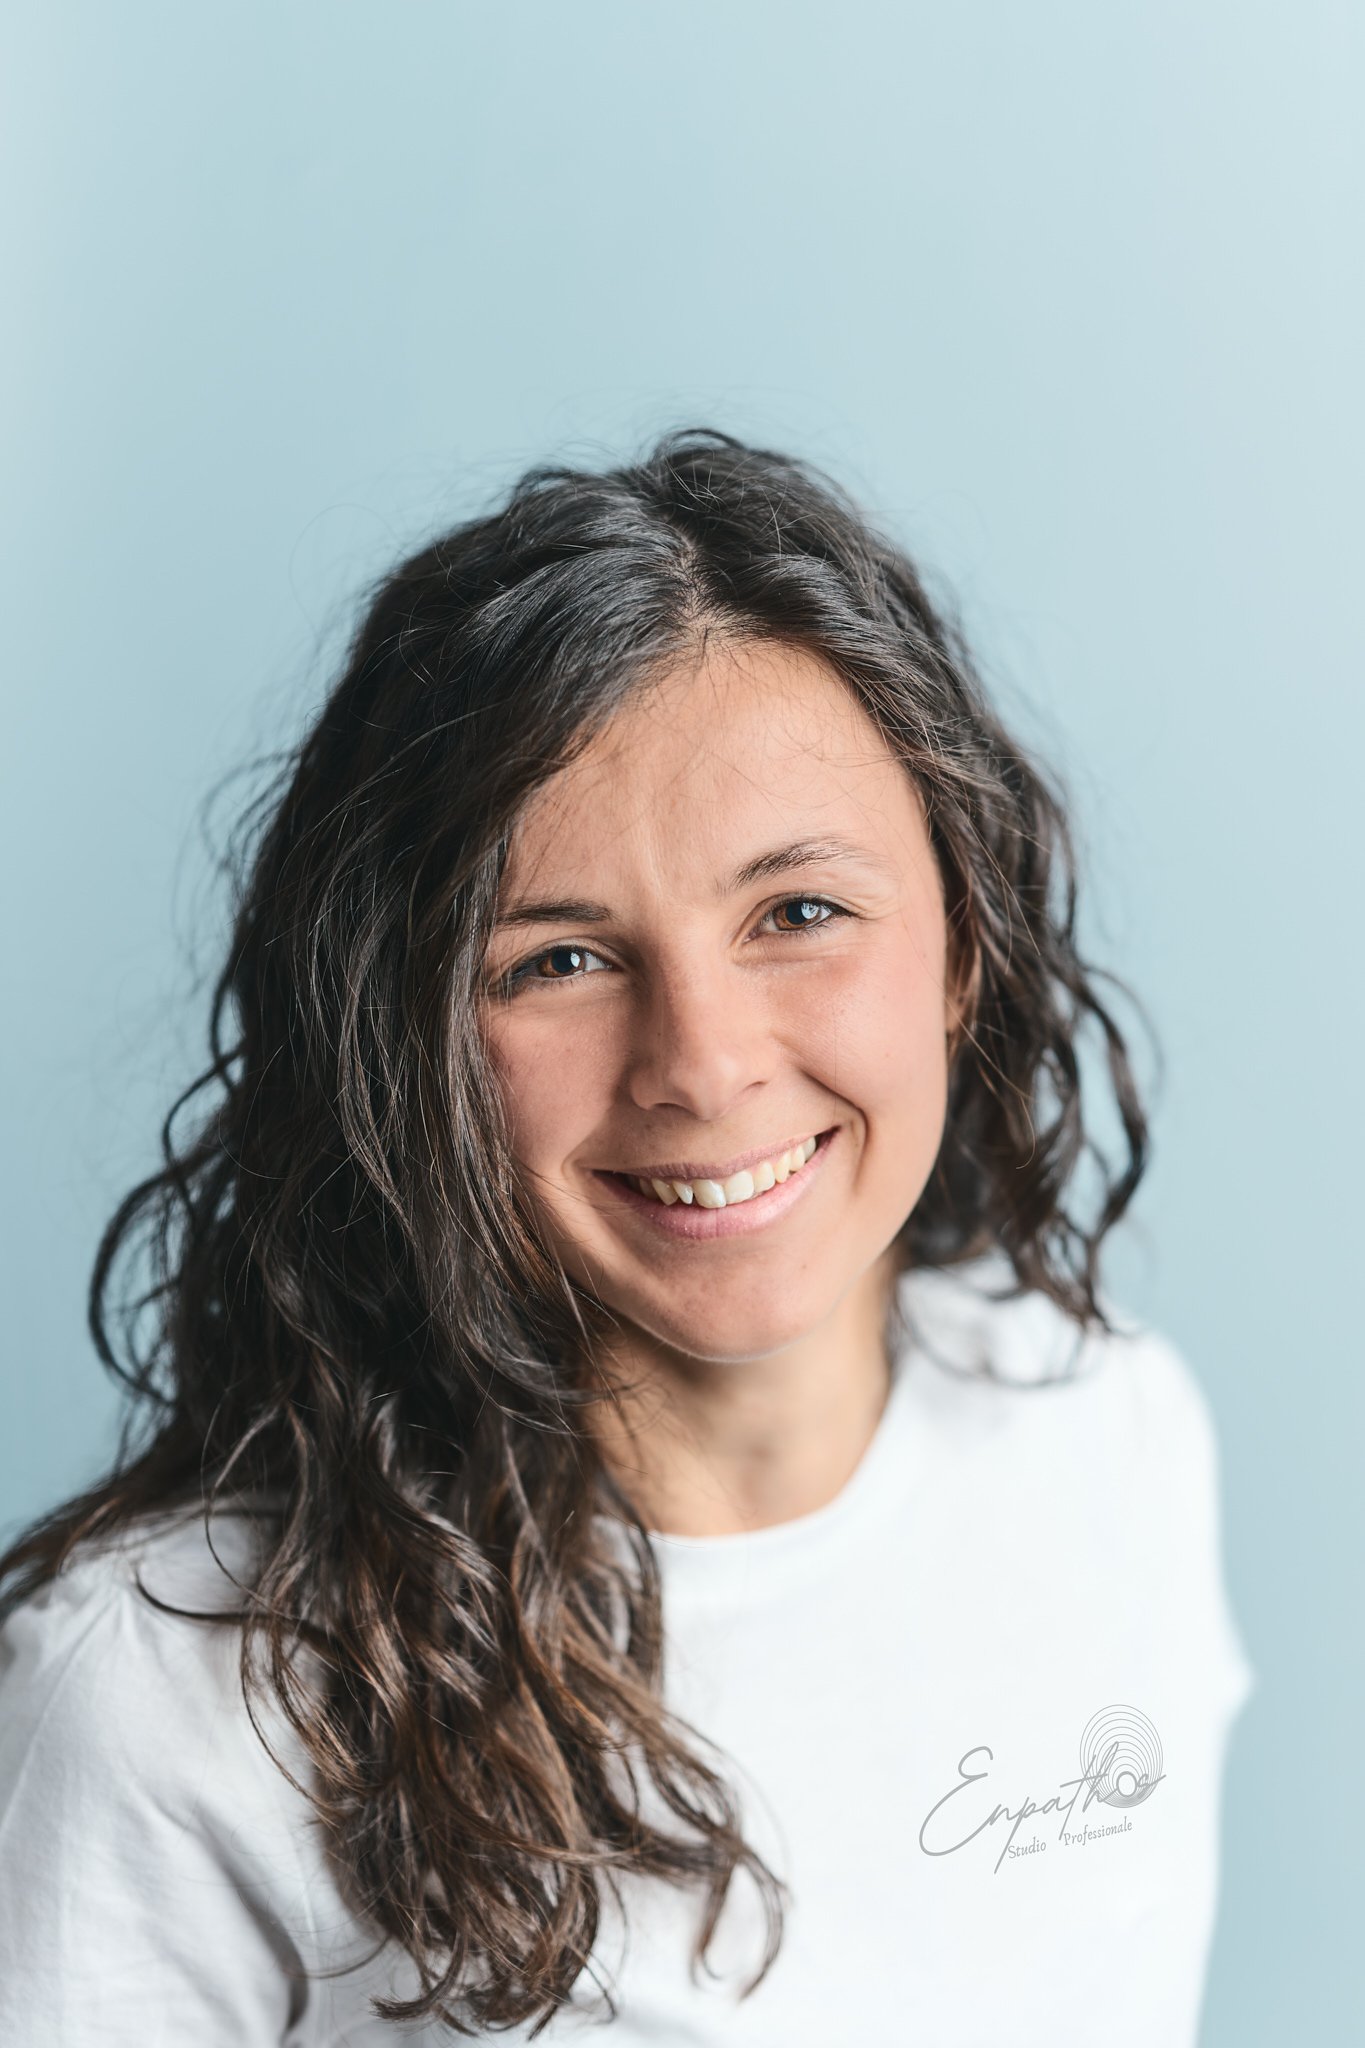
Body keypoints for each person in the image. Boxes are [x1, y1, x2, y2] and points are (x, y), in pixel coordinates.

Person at [0, 429, 1255, 2044]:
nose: (702, 1067)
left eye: (797, 913)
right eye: (559, 961)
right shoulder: (165, 1698)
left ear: (964, 942)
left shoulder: (1110, 1431)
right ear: (406, 1050)